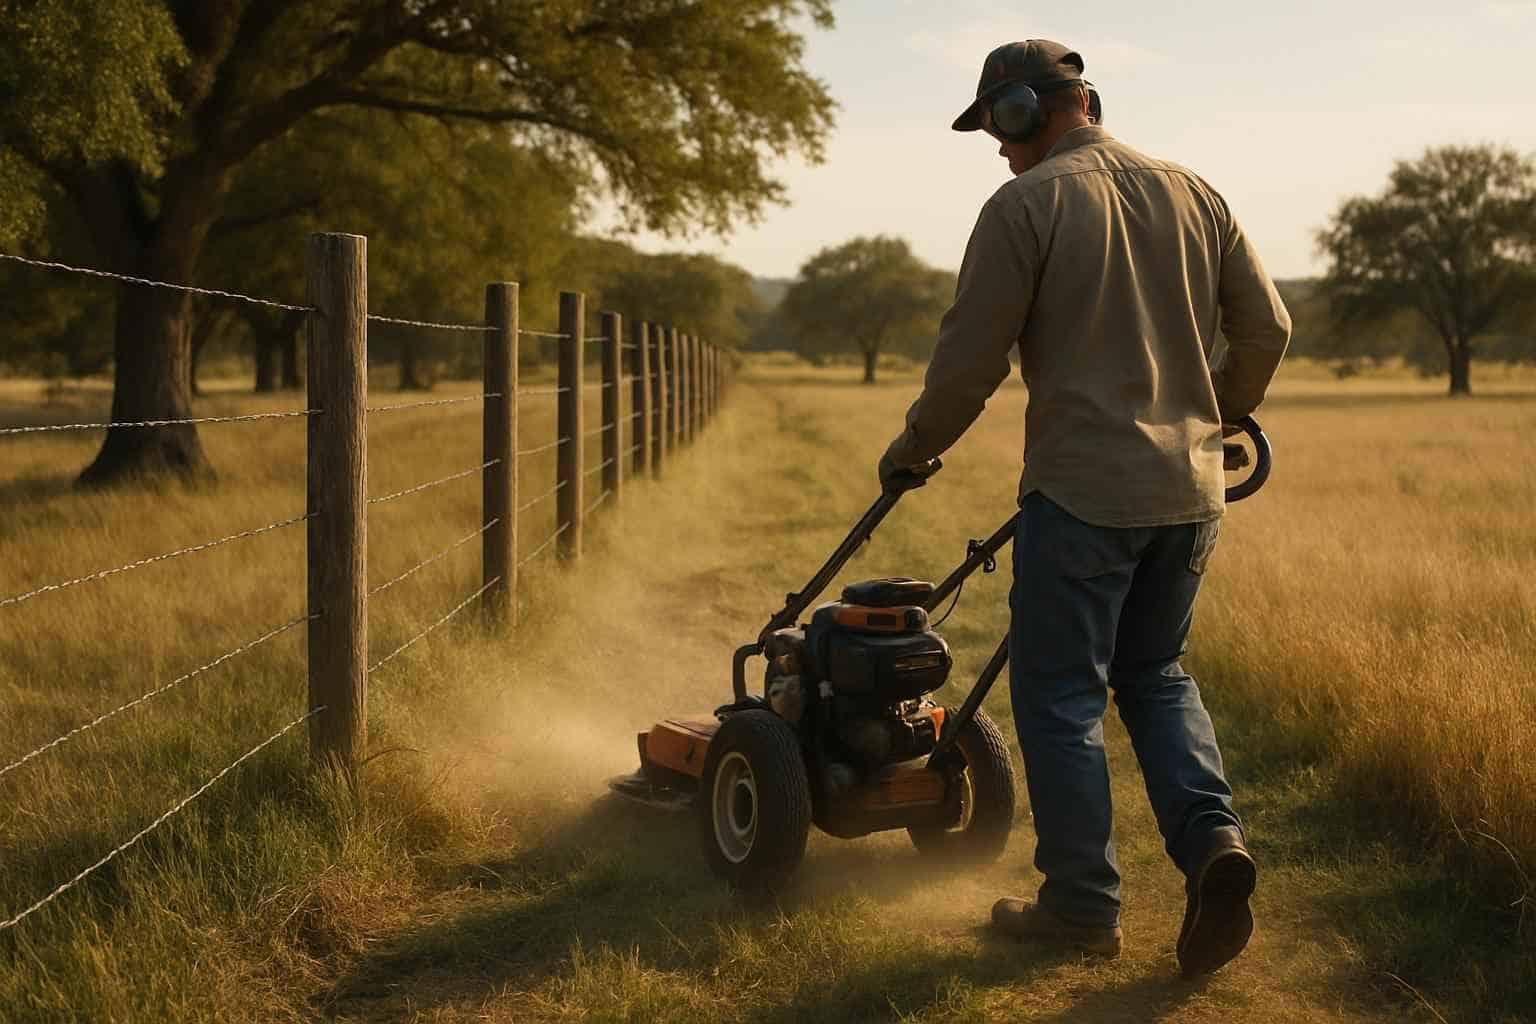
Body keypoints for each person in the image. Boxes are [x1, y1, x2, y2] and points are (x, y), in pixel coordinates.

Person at [878, 39, 1290, 976]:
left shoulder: (1024, 204)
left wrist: (913, 452)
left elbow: (971, 357)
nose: (995, 147)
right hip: (1190, 495)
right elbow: (1269, 326)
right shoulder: (1196, 191)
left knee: (1060, 697)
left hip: (1081, 498)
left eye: (995, 126)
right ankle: (1213, 846)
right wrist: (1213, 417)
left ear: (1025, 111)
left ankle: (1080, 909)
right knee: (1155, 675)